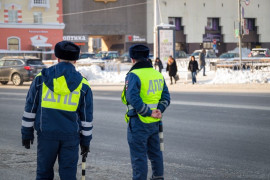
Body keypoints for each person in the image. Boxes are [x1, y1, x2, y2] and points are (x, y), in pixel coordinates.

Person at [21, 41, 93, 180]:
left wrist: (26, 132)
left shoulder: (41, 79)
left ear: (57, 57)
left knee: (44, 173)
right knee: (68, 175)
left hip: (46, 134)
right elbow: (86, 117)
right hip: (71, 137)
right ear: (75, 60)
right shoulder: (83, 85)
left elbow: (30, 107)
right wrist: (86, 141)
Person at [121, 44, 170, 180]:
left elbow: (132, 98)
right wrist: (159, 110)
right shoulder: (157, 74)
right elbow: (166, 97)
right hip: (155, 122)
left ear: (132, 59)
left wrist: (147, 112)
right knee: (156, 154)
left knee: (139, 157)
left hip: (138, 122)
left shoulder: (133, 75)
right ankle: (158, 178)